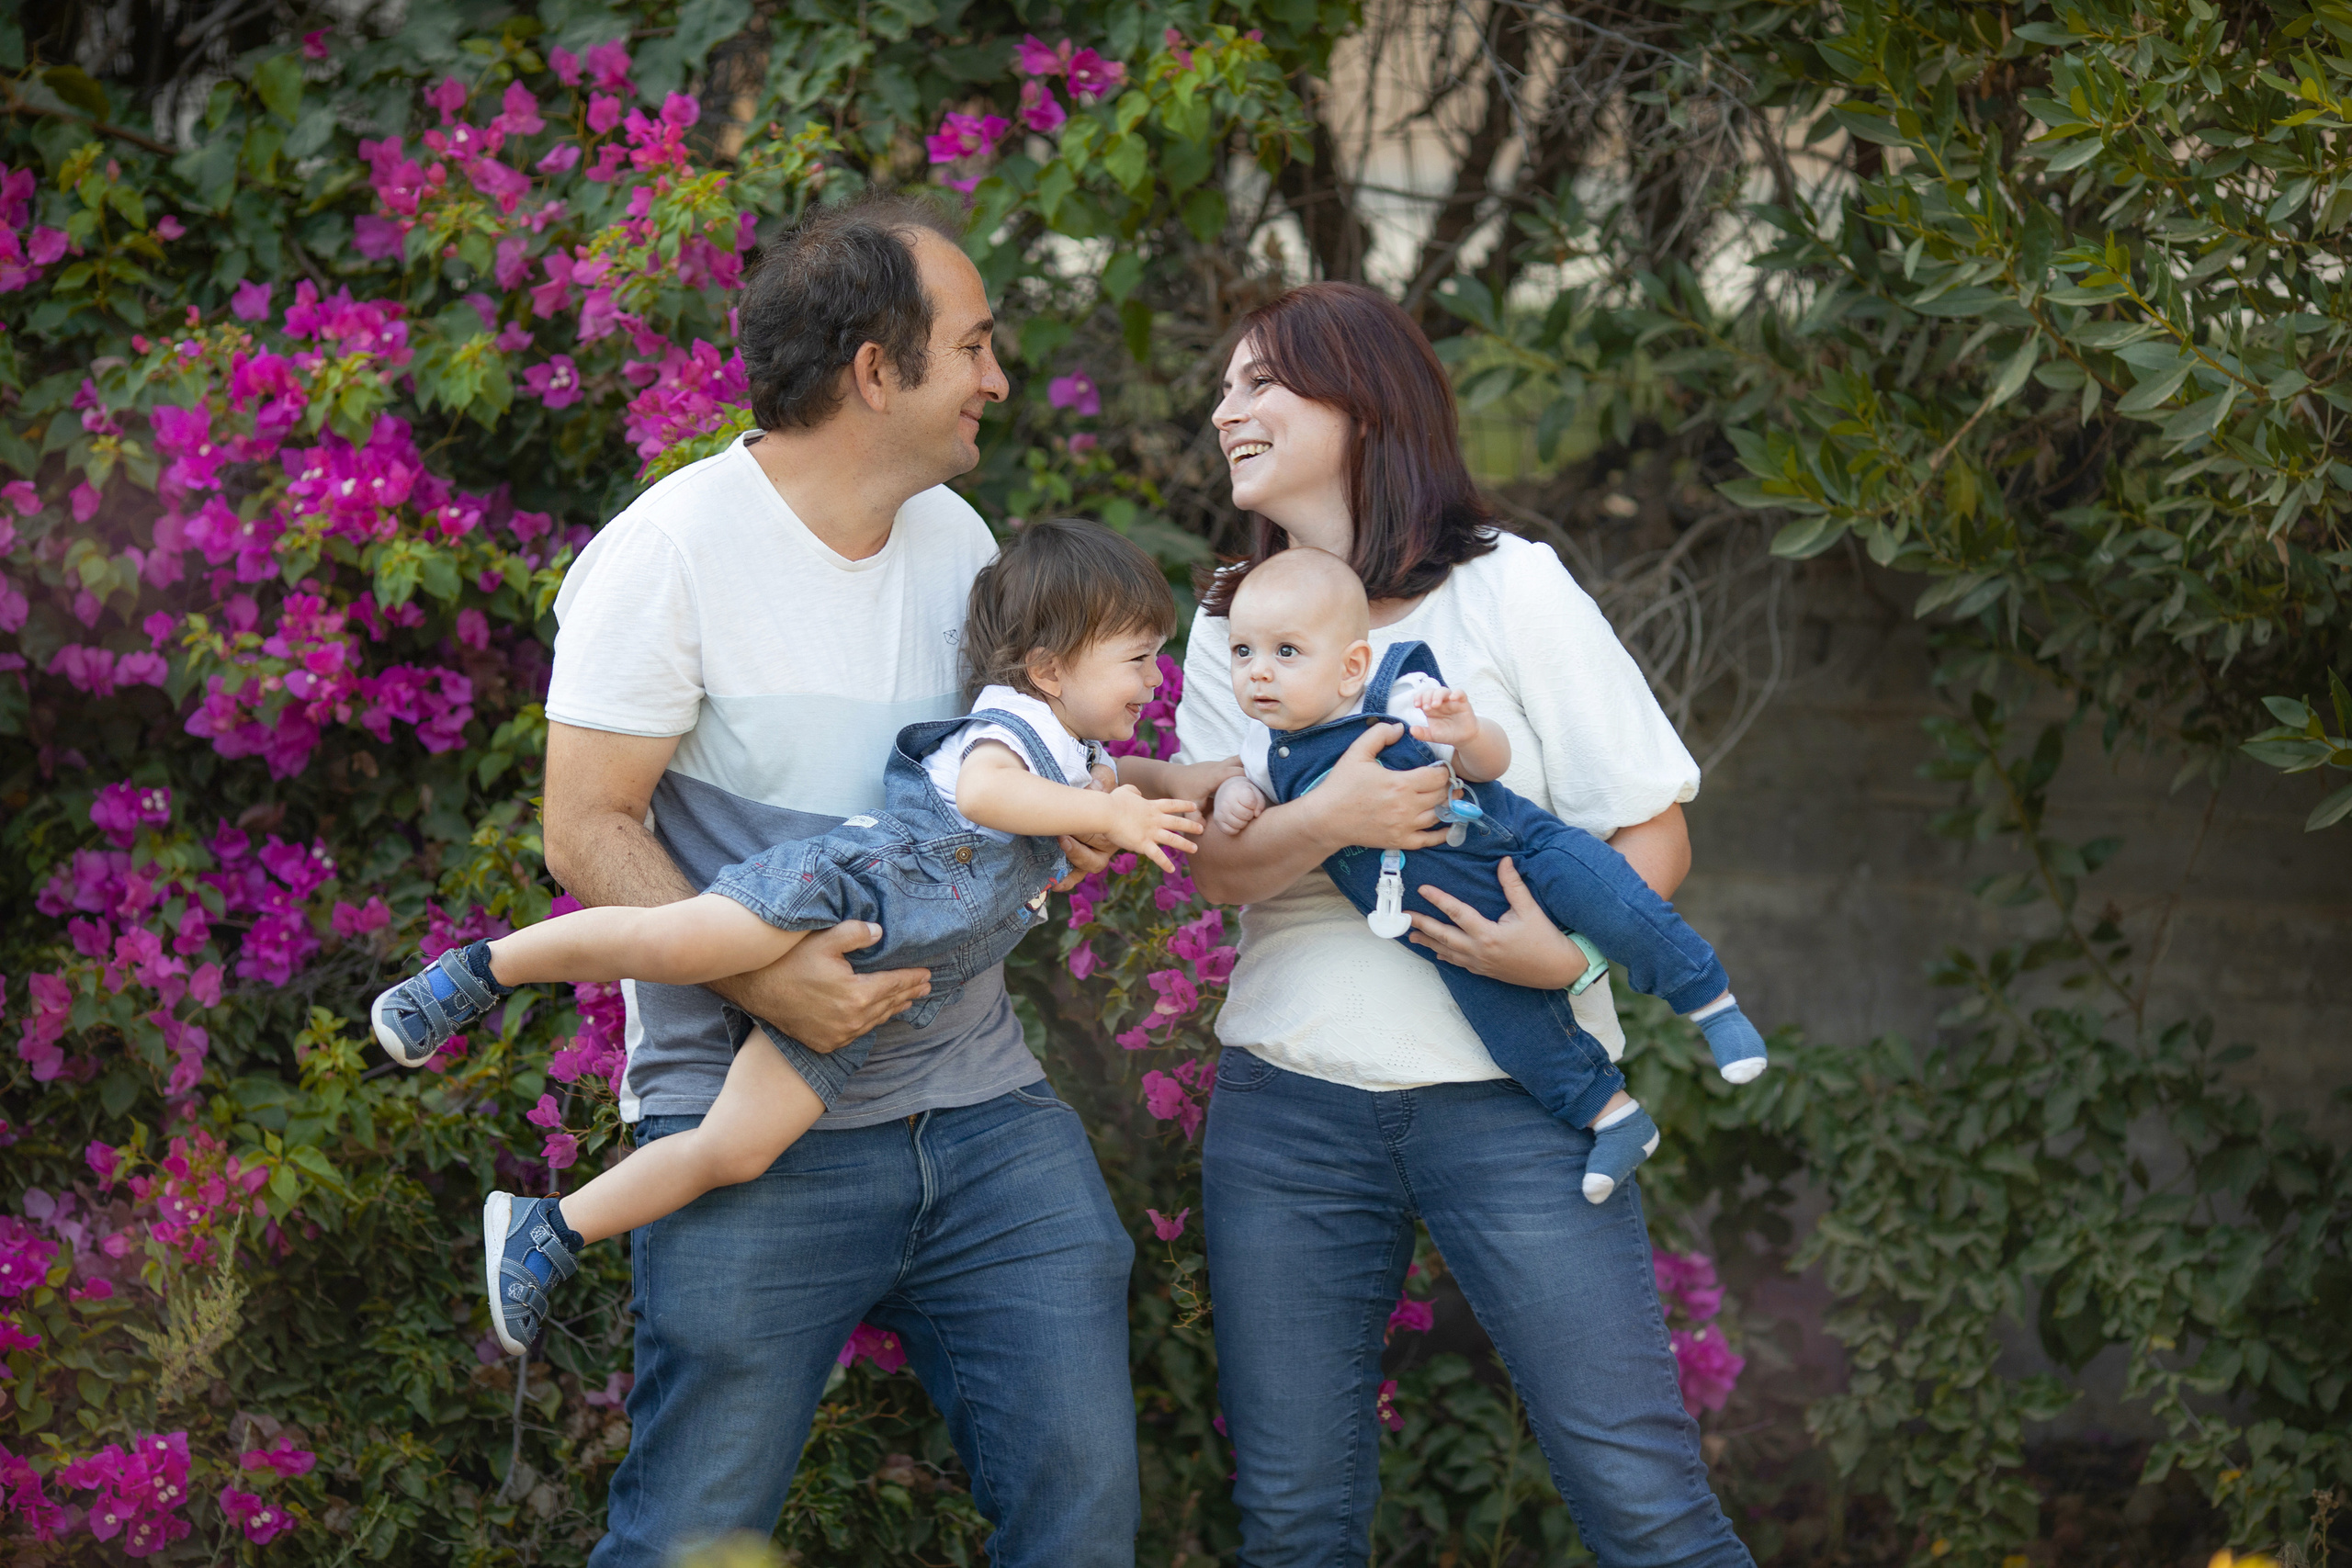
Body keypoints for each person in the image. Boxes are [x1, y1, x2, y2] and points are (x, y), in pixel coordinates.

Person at [533, 193, 1159, 1568]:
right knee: (691, 1533)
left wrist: (1112, 806)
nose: (997, 377)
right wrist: (769, 978)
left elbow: (1003, 772)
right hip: (748, 1119)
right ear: (878, 370)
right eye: (974, 345)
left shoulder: (960, 542)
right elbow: (585, 829)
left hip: (979, 1109)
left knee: (1083, 1510)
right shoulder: (669, 552)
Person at [1179, 282, 1757, 1566]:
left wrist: (1572, 955)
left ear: (1362, 399)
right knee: (1293, 1520)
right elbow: (1220, 871)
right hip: (1289, 1110)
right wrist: (1334, 812)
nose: (1227, 410)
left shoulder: (1512, 589)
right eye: (1223, 387)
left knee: (1643, 1499)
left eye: (1261, 381)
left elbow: (1653, 830)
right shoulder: (1236, 616)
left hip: (1520, 1105)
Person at [368, 521, 1227, 1356]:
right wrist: (1105, 814)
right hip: (837, 889)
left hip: (869, 993)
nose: (1155, 677)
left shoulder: (1079, 756)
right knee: (675, 942)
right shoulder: (1011, 726)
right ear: (1048, 668)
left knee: (737, 1147)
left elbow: (1131, 776)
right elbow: (985, 795)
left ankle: (549, 1227)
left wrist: (1202, 780)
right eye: (1138, 657)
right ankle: (478, 971)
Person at [1206, 547, 1768, 1203]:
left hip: (1520, 855)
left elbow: (1486, 764)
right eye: (1242, 652)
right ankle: (1614, 1117)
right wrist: (1235, 796)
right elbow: (1251, 810)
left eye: (1286, 653)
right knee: (1515, 1034)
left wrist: (1467, 734)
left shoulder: (1397, 695)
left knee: (1617, 902)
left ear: (1351, 665)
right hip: (1449, 928)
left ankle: (1711, 1003)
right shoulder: (1263, 751)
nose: (1258, 672)